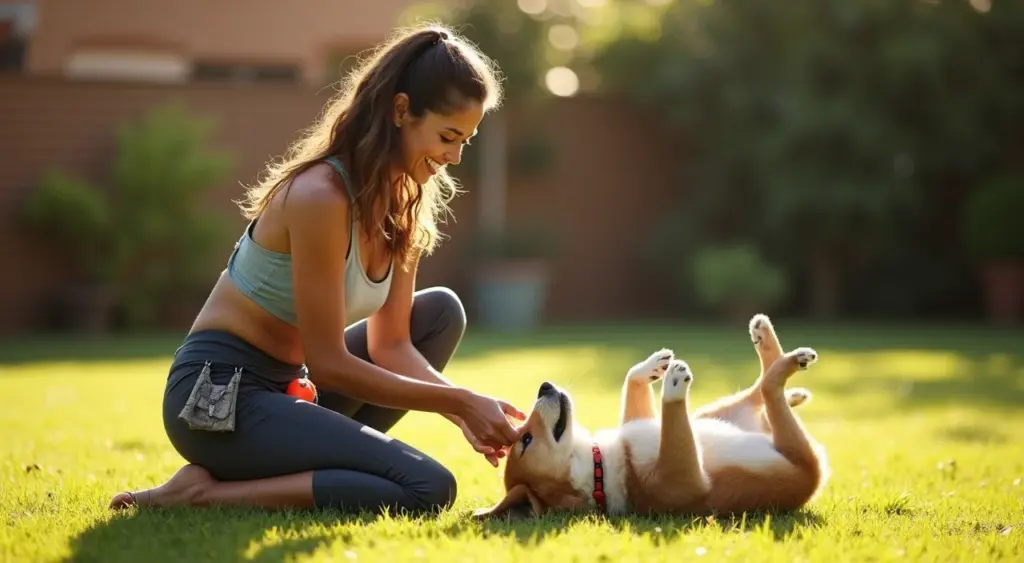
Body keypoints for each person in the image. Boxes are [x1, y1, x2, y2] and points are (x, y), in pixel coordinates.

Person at [108, 24, 526, 516]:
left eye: (466, 142)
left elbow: (390, 344)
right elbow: (329, 362)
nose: (454, 157)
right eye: (447, 136)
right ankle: (201, 495)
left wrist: (464, 403)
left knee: (439, 314)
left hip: (293, 386)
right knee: (427, 487)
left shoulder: (405, 203)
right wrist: (457, 403)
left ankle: (267, 466)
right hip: (220, 396)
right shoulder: (321, 196)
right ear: (400, 111)